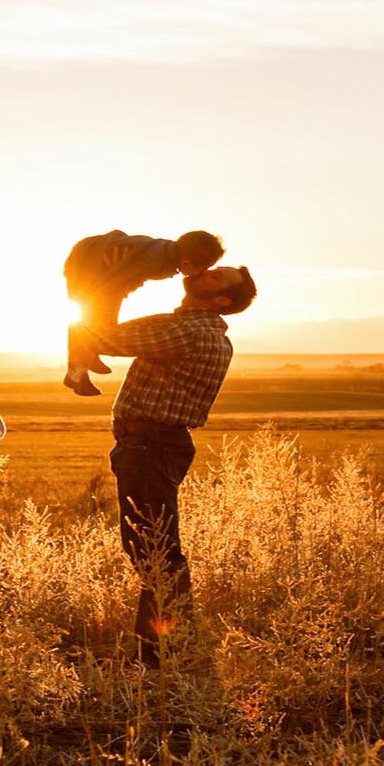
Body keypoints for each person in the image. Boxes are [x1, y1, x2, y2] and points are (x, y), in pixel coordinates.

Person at [74, 265, 257, 666]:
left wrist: (110, 284)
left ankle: (161, 654)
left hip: (149, 445)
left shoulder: (188, 332)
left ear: (223, 300)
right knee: (154, 546)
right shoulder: (191, 329)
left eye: (216, 277)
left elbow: (103, 335)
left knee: (155, 550)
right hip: (154, 444)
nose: (205, 272)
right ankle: (165, 648)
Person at [63, 230, 225, 396]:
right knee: (90, 319)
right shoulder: (156, 261)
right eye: (204, 268)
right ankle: (76, 373)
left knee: (103, 321)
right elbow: (119, 275)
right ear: (187, 264)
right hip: (85, 264)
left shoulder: (167, 254)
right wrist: (101, 298)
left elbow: (133, 273)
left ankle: (89, 354)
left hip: (100, 264)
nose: (203, 273)